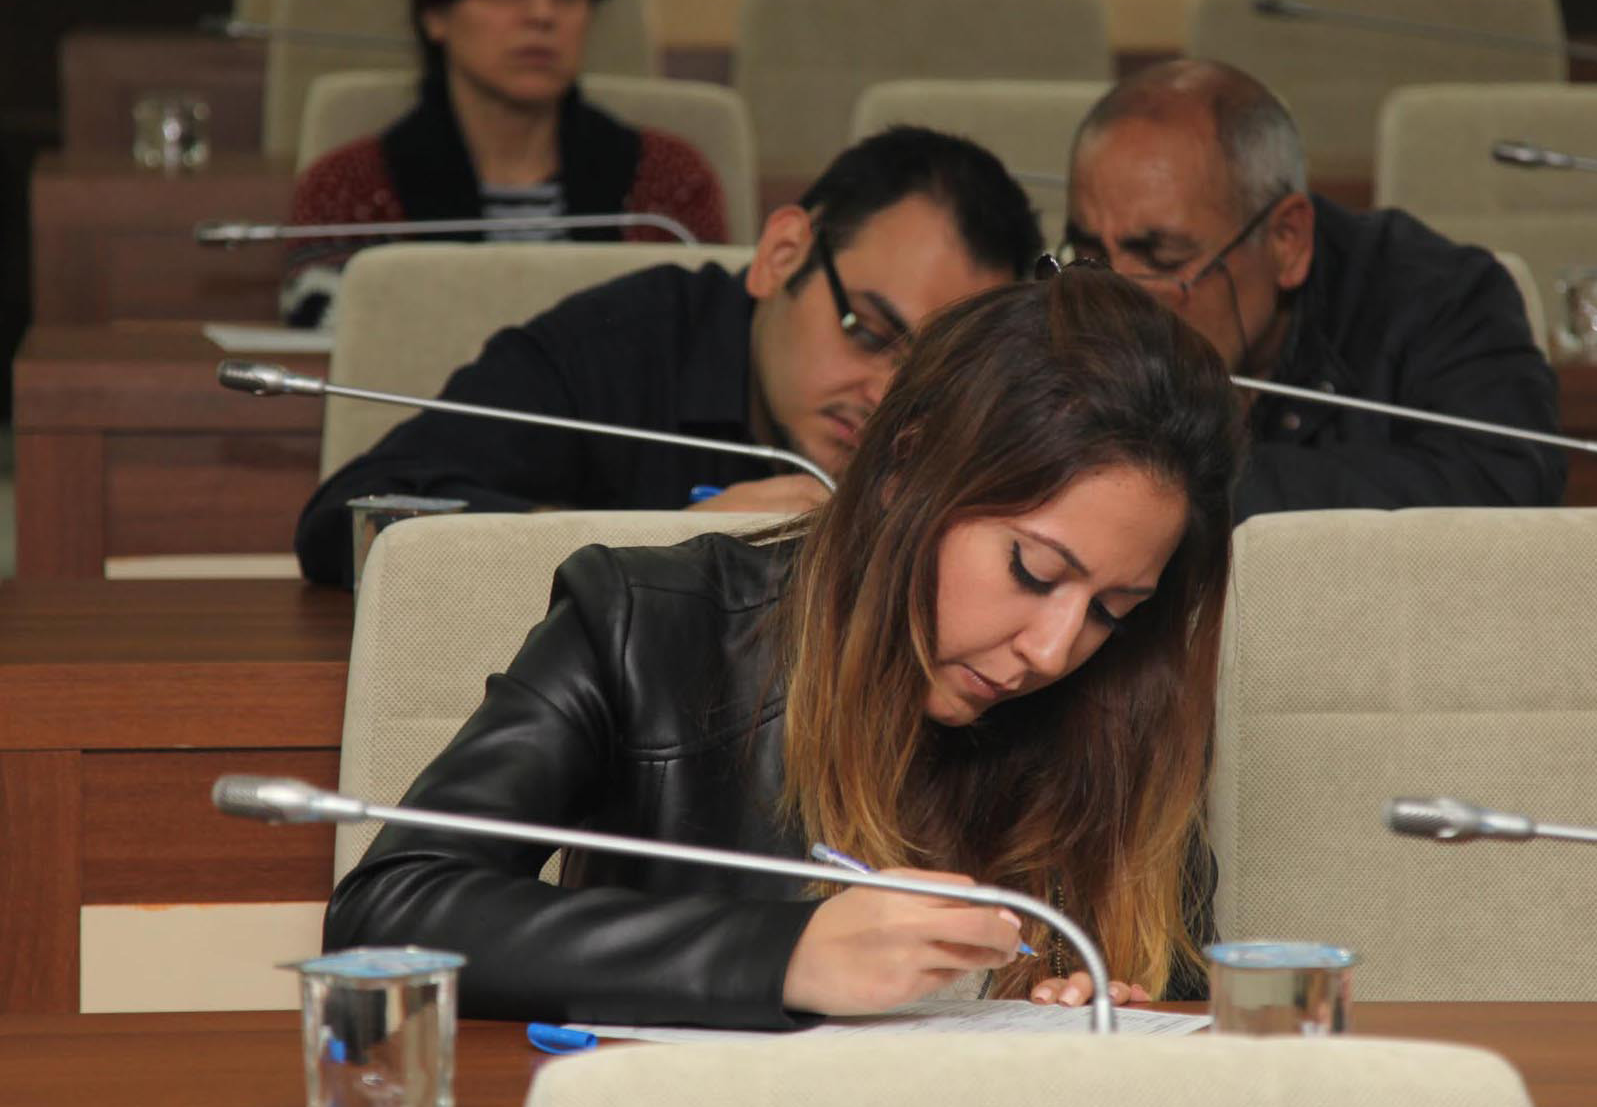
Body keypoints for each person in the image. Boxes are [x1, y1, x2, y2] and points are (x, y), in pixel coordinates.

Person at [323, 266, 1246, 1027]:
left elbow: (1181, 995)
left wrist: (1107, 1009)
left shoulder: (1126, 699)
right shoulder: (651, 624)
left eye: (1112, 609)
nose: (1053, 649)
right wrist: (784, 957)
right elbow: (387, 914)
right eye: (1033, 571)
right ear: (906, 469)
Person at [294, 126, 1041, 586]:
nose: (886, 397)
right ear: (782, 255)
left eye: (929, 382)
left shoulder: (972, 424)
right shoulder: (621, 344)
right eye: (868, 332)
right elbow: (351, 521)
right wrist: (653, 542)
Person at [1064, 60, 1567, 519]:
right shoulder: (1064, 301)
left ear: (1287, 240)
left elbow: (1505, 489)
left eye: (1164, 257)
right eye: (1090, 254)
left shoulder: (1441, 297)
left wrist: (1189, 480)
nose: (1116, 296)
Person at [282, 0, 728, 327]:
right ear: (435, 13)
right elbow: (328, 349)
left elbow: (710, 344)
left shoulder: (667, 180)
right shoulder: (348, 187)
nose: (541, 14)